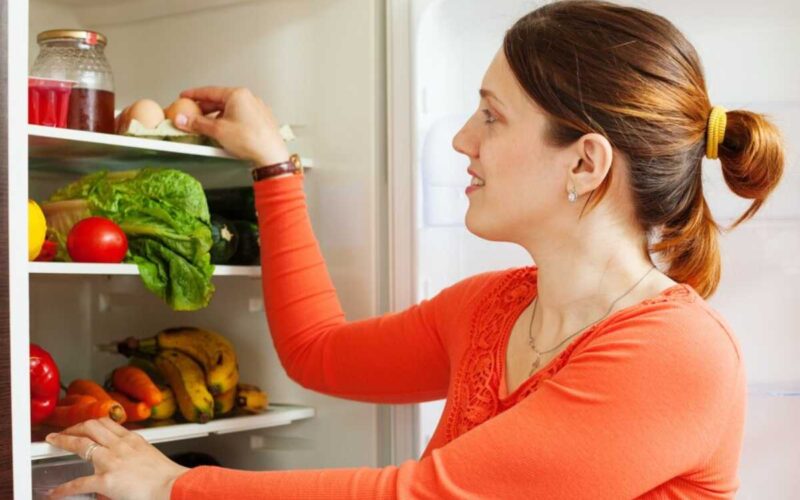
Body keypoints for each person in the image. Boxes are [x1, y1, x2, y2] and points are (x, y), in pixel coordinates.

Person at [46, 1, 785, 498]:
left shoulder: (674, 355)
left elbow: (424, 496)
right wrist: (274, 166)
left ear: (585, 164)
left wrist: (175, 483)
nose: (463, 139)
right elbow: (317, 351)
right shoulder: (493, 308)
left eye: (491, 117)